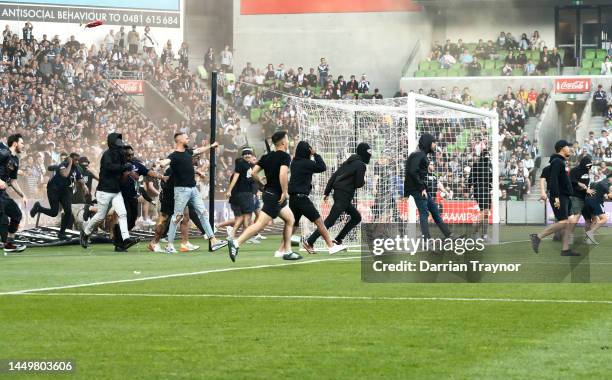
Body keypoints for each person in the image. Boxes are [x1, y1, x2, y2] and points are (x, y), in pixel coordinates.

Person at [227, 131, 301, 262]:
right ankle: (236, 243)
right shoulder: (285, 156)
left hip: (270, 194)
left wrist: (262, 184)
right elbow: (283, 174)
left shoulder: (266, 157)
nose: (288, 141)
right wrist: (284, 191)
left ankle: (287, 251)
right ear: (283, 142)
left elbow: (253, 172)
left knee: (290, 219)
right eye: (287, 139)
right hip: (276, 196)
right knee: (260, 224)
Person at [161, 133, 226, 253]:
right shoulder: (174, 155)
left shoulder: (188, 152)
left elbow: (199, 150)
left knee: (203, 213)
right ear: (179, 140)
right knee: (178, 217)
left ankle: (213, 241)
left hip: (193, 189)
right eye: (186, 138)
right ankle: (169, 245)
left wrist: (211, 146)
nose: (188, 139)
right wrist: (162, 163)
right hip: (181, 190)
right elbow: (166, 160)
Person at [304, 142, 371, 249]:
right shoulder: (360, 165)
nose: (370, 154)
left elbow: (333, 177)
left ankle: (338, 239)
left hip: (339, 195)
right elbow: (359, 184)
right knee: (330, 221)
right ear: (364, 152)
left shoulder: (347, 162)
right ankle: (310, 241)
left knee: (356, 217)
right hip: (344, 196)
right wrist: (364, 180)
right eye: (369, 152)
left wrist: (327, 192)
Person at [80, 133, 139, 250]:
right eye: (118, 144)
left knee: (122, 213)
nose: (120, 147)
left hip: (116, 191)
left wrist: (128, 169)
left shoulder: (121, 155)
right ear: (112, 144)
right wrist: (125, 167)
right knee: (101, 216)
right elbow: (110, 168)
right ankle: (85, 233)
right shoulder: (106, 155)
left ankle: (126, 239)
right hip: (104, 191)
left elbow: (123, 169)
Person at [290, 141, 347, 255]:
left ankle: (283, 248)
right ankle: (331, 247)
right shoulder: (306, 163)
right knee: (320, 222)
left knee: (293, 225)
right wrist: (316, 154)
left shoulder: (294, 162)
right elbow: (322, 167)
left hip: (293, 199)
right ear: (308, 150)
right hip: (302, 198)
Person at [113, 145, 167, 252]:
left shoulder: (136, 164)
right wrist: (126, 174)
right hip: (121, 196)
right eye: (129, 155)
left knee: (132, 221)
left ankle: (119, 236)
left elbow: (148, 172)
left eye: (132, 154)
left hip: (133, 197)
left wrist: (161, 176)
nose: (131, 156)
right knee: (126, 218)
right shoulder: (118, 165)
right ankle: (119, 243)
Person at [530, 140, 578, 256]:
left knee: (571, 221)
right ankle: (538, 237)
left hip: (565, 196)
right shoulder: (557, 162)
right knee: (563, 222)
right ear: (562, 148)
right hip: (559, 196)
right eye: (568, 146)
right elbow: (553, 181)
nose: (570, 149)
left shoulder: (559, 162)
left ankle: (565, 249)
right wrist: (556, 197)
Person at [403, 133, 453, 240]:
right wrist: (421, 188)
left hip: (421, 188)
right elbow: (412, 171)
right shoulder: (419, 154)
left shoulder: (420, 154)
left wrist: (409, 192)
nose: (435, 145)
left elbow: (410, 171)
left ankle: (449, 235)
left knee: (434, 211)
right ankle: (427, 240)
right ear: (428, 143)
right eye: (434, 142)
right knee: (424, 213)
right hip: (418, 189)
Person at [30, 152, 87, 239]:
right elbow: (65, 175)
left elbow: (80, 179)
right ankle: (39, 207)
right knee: (54, 212)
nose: (77, 162)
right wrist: (70, 163)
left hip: (65, 192)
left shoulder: (77, 169)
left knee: (68, 211)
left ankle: (61, 233)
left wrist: (84, 187)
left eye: (78, 160)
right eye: (75, 160)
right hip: (54, 190)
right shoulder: (63, 165)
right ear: (70, 159)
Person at [0, 134, 27, 253]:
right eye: (22, 143)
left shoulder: (16, 160)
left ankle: (9, 244)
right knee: (2, 218)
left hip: (2, 193)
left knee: (16, 214)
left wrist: (23, 195)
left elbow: (13, 181)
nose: (23, 146)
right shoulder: (4, 153)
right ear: (15, 143)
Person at [568, 156, 594, 245]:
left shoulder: (587, 171)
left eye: (590, 165)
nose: (589, 167)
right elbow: (570, 180)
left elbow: (587, 184)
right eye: (587, 165)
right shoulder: (574, 170)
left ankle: (588, 237)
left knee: (588, 219)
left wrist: (587, 190)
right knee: (577, 216)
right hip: (576, 196)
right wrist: (580, 184)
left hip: (585, 197)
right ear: (583, 163)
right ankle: (569, 236)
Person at [468, 149, 492, 239]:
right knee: (485, 211)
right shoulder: (476, 165)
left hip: (487, 190)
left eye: (488, 155)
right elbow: (470, 179)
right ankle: (474, 232)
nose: (487, 157)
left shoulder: (490, 165)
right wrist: (468, 188)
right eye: (485, 155)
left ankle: (483, 234)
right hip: (479, 190)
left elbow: (491, 178)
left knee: (486, 213)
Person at [582, 174, 612, 244]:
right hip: (595, 202)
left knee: (591, 220)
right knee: (604, 219)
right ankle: (590, 232)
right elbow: (610, 195)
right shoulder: (607, 183)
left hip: (586, 201)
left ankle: (587, 239)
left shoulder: (596, 182)